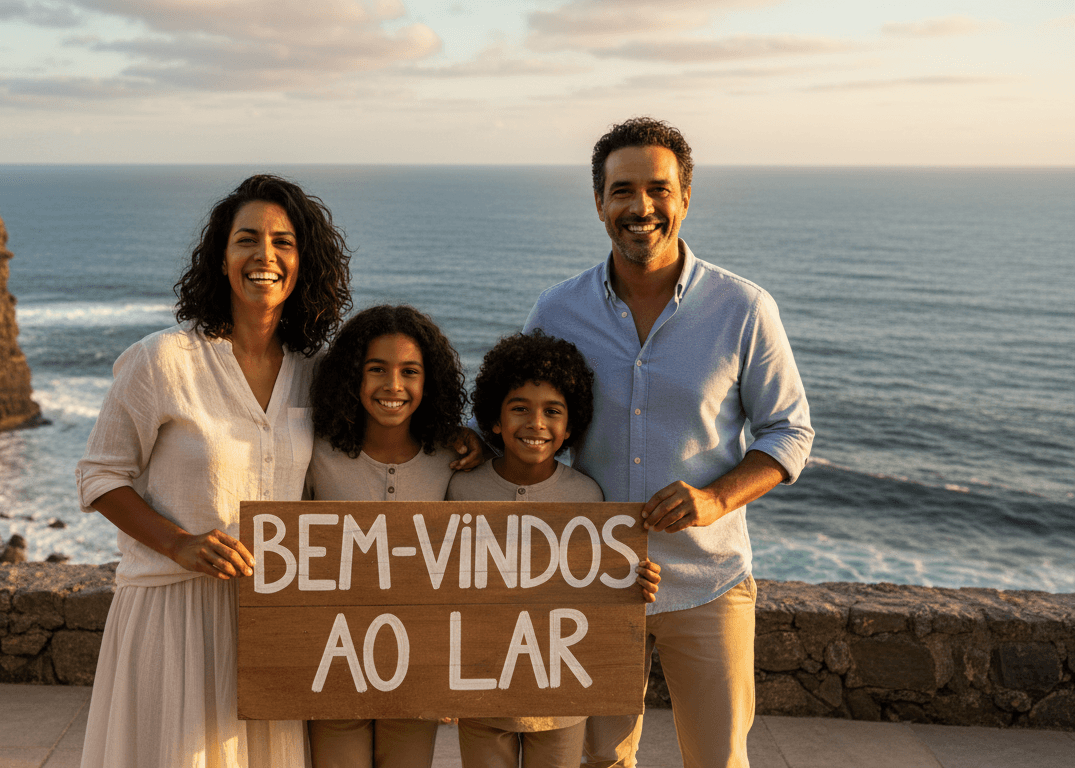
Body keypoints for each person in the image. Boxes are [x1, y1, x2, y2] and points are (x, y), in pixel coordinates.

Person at [521, 118, 814, 768]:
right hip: (592, 578)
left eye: (658, 188)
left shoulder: (744, 308)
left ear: (684, 197)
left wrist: (714, 498)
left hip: (708, 580)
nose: (641, 207)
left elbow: (789, 431)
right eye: (622, 190)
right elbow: (521, 426)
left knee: (716, 761)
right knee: (597, 761)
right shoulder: (556, 312)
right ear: (599, 203)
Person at [75, 174, 353, 768]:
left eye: (284, 242)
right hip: (174, 612)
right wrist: (178, 543)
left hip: (268, 615)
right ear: (221, 259)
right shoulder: (163, 360)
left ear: (305, 261)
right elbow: (100, 476)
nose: (265, 256)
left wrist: (458, 440)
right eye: (246, 239)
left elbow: (378, 439)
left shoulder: (314, 371)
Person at [447, 331, 660, 768]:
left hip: (561, 699)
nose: (536, 423)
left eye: (552, 412)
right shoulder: (460, 488)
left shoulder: (588, 496)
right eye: (519, 408)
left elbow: (597, 584)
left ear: (569, 427)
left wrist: (633, 582)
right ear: (493, 419)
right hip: (481, 692)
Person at [304, 304, 468, 768]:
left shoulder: (452, 461)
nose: (393, 386)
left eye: (409, 372)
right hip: (331, 667)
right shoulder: (316, 456)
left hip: (416, 671)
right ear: (352, 377)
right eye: (376, 369)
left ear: (428, 382)